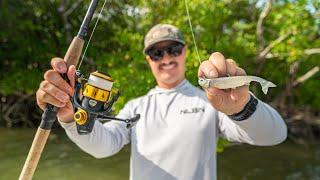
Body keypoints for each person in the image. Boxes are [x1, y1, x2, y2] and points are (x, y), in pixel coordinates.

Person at [36, 24, 287, 180]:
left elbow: (274, 135)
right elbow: (104, 147)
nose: (166, 57)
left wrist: (241, 107)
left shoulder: (213, 102)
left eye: (174, 49)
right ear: (148, 60)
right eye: (157, 52)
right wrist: (70, 116)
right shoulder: (136, 107)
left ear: (185, 52)